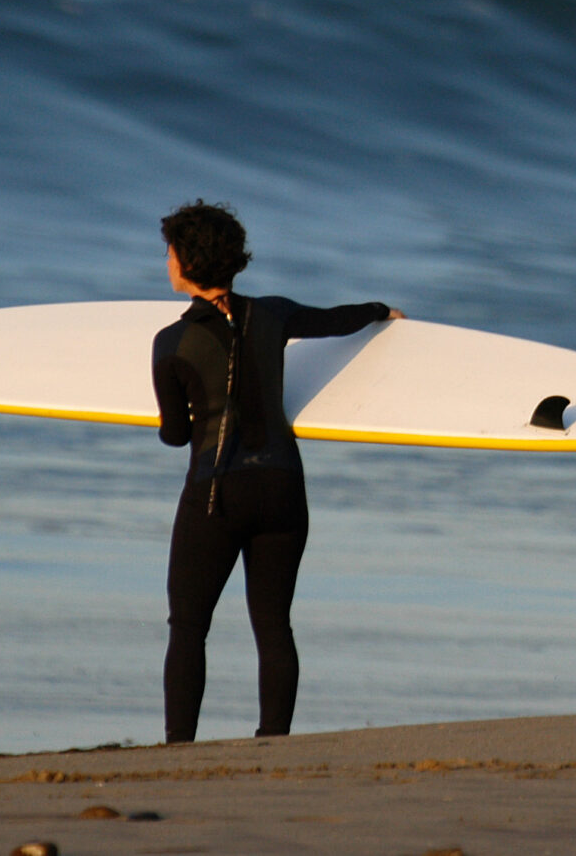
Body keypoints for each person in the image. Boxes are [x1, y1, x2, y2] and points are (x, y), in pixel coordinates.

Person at [152, 200, 402, 742]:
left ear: (185, 261)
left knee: (189, 627)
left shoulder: (170, 344)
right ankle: (273, 742)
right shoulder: (274, 313)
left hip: (215, 493)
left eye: (169, 251)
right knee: (272, 624)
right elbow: (338, 319)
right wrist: (383, 310)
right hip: (284, 488)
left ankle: (177, 750)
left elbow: (175, 435)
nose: (166, 260)